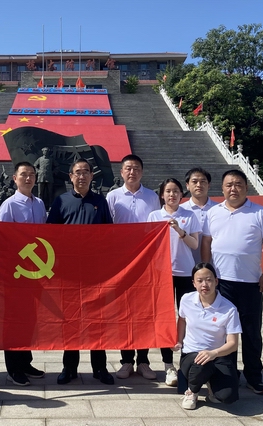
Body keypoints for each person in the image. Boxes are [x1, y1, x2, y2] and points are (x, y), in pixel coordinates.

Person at [201, 169, 263, 395]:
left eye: (238, 184)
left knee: (251, 332)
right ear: (222, 188)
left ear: (246, 187)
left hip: (250, 282)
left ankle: (254, 377)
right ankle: (229, 375)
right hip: (221, 283)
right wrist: (206, 273)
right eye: (229, 185)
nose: (233, 189)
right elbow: (206, 242)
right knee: (225, 332)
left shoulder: (260, 212)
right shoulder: (213, 212)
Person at [47, 159, 115, 385]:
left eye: (86, 172)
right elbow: (50, 234)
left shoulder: (100, 201)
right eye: (78, 172)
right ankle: (69, 367)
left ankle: (100, 367)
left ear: (92, 176)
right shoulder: (61, 201)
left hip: (95, 272)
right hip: (69, 272)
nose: (82, 176)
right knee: (70, 320)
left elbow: (109, 235)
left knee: (97, 320)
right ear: (71, 177)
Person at [105, 154, 161, 381]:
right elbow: (107, 229)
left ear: (142, 172)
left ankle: (144, 360)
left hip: (146, 263)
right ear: (121, 172)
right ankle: (126, 360)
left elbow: (157, 228)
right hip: (121, 263)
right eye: (128, 168)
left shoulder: (152, 197)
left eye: (136, 168)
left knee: (145, 313)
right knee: (124, 313)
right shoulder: (113, 197)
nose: (132, 172)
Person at [147, 178, 202, 386]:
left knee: (187, 316)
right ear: (162, 195)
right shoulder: (154, 216)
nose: (172, 195)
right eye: (168, 191)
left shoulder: (189, 215)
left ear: (181, 194)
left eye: (176, 191)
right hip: (162, 274)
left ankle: (187, 361)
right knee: (165, 318)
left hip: (185, 273)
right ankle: (168, 364)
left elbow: (195, 245)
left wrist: (180, 231)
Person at [0, 161, 47, 386]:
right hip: (17, 272)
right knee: (14, 320)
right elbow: (4, 238)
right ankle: (13, 367)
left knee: (30, 319)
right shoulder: (9, 205)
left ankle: (26, 361)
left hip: (36, 272)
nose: (28, 178)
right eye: (24, 174)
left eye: (32, 175)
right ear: (15, 178)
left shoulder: (40, 203)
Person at [174, 262, 241, 410]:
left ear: (216, 281)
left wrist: (213, 353)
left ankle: (211, 384)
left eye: (209, 280)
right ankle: (192, 391)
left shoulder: (229, 309)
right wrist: (179, 341)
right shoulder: (186, 299)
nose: (204, 284)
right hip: (192, 355)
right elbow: (182, 320)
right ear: (194, 283)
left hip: (217, 355)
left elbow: (233, 344)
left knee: (228, 396)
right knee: (200, 363)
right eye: (200, 280)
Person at [180, 168, 216, 265]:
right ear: (187, 185)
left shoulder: (219, 209)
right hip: (186, 265)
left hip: (214, 266)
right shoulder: (180, 210)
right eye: (194, 182)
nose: (199, 185)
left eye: (203, 181)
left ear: (209, 185)